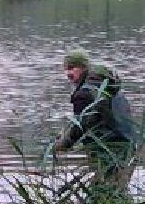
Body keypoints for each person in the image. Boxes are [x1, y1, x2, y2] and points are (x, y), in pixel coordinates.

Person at [54, 49, 136, 191]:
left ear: (84, 67)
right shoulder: (109, 86)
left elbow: (81, 126)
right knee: (116, 193)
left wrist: (63, 143)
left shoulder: (85, 93)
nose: (68, 73)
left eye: (72, 68)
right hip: (126, 148)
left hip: (108, 152)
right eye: (66, 69)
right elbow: (94, 120)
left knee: (101, 194)